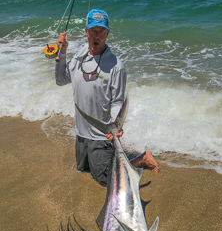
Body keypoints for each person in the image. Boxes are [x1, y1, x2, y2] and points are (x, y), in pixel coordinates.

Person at [55, 9, 159, 187]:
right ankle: (115, 157)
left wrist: (113, 127)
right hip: (81, 132)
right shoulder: (78, 57)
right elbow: (61, 80)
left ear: (107, 34)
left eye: (101, 32)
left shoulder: (116, 66)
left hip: (100, 134)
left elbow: (118, 100)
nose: (97, 36)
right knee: (82, 170)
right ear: (86, 32)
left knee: (106, 180)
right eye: (93, 31)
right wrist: (62, 53)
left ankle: (142, 158)